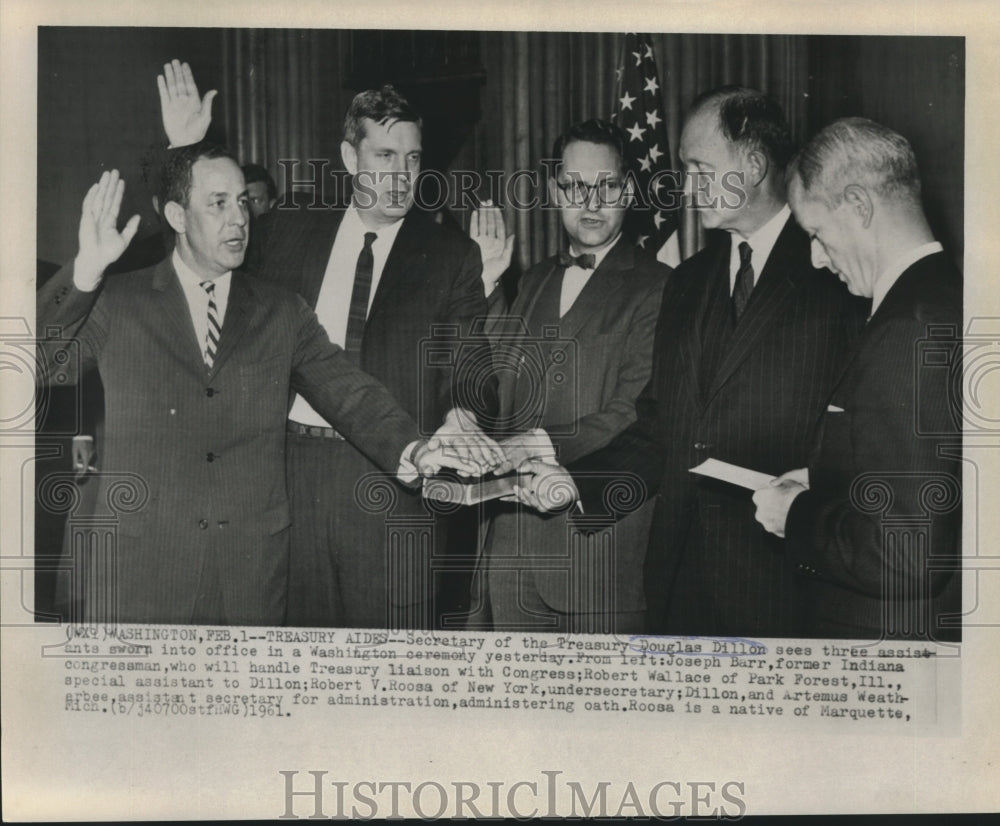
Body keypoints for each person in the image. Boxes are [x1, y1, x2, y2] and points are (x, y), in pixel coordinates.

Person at [36, 150, 478, 626]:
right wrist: (85, 273)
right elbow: (38, 364)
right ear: (177, 216)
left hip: (249, 580)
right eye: (219, 204)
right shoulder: (118, 301)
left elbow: (348, 390)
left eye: (243, 203)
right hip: (145, 573)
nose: (238, 220)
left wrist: (415, 449)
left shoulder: (280, 310)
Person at [157, 60, 502, 629]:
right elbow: (186, 263)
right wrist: (186, 150)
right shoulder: (285, 232)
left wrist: (466, 410)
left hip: (393, 487)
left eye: (413, 159)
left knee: (391, 677)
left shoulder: (449, 255)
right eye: (384, 158)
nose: (401, 175)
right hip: (288, 478)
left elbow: (471, 360)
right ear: (350, 159)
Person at [528, 86, 866, 637]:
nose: (685, 187)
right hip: (681, 580)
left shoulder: (833, 274)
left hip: (786, 584)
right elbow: (661, 424)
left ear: (753, 165)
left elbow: (856, 437)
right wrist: (578, 482)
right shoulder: (687, 282)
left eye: (699, 169)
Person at [752, 117, 962, 641]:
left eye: (817, 234)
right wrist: (826, 480)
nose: (818, 260)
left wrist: (795, 513)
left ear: (860, 205)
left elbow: (909, 552)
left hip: (888, 645)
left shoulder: (905, 331)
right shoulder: (946, 297)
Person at [470, 119, 669, 633]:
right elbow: (494, 384)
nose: (591, 201)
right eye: (575, 186)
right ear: (556, 192)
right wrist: (488, 287)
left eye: (606, 186)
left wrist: (540, 443)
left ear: (627, 190)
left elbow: (637, 411)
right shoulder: (535, 278)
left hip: (594, 556)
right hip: (510, 552)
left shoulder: (661, 286)